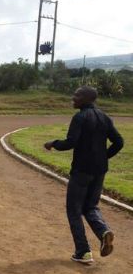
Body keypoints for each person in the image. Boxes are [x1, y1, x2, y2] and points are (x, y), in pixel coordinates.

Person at [44, 86, 123, 264]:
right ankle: (103, 232)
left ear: (88, 99)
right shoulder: (104, 117)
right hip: (99, 170)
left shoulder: (80, 117)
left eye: (77, 95)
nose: (74, 97)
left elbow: (71, 142)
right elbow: (119, 142)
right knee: (91, 206)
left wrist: (53, 143)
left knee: (74, 210)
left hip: (81, 171)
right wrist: (103, 157)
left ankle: (83, 252)